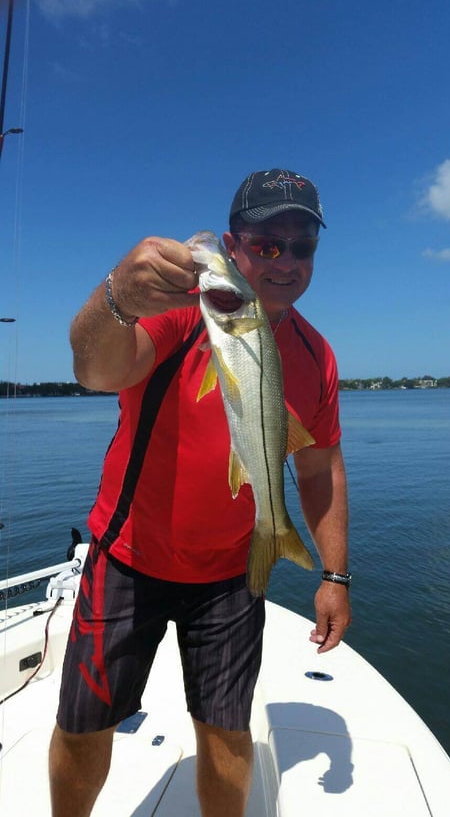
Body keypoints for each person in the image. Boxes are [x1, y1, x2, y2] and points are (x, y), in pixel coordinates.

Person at [48, 168, 351, 817]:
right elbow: (96, 369)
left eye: (303, 247)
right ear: (233, 246)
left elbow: (321, 468)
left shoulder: (316, 355)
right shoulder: (180, 314)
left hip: (232, 573)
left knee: (226, 730)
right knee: (83, 726)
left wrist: (335, 574)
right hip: (126, 555)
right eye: (268, 244)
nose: (287, 261)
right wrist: (116, 299)